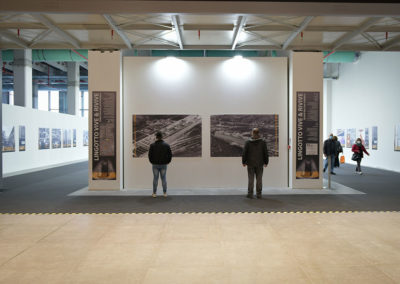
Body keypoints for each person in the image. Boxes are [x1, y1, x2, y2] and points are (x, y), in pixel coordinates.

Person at [242, 128, 269, 199]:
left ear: (252, 133)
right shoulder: (263, 142)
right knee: (259, 179)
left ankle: (250, 194)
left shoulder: (248, 142)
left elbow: (244, 153)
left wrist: (244, 161)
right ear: (258, 133)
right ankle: (259, 194)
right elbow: (265, 153)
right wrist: (266, 162)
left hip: (250, 163)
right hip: (260, 163)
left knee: (251, 179)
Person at [148, 131, 172, 197]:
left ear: (156, 137)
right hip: (164, 164)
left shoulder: (152, 145)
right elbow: (170, 155)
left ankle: (154, 193)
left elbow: (150, 155)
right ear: (162, 137)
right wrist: (167, 162)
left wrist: (152, 161)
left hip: (155, 164)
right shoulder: (166, 145)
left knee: (155, 178)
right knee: (163, 178)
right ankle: (165, 193)